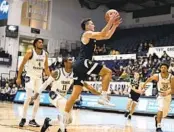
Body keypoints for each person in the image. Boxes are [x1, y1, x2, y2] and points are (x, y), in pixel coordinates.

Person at [60, 12, 121, 131]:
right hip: (83, 62)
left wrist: (114, 26)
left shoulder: (91, 36)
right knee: (107, 72)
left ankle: (65, 116)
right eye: (91, 24)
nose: (93, 25)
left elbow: (106, 36)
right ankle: (103, 97)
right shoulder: (87, 33)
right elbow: (103, 33)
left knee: (75, 94)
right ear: (87, 26)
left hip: (78, 65)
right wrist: (110, 20)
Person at [30, 57, 101, 132]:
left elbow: (86, 85)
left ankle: (48, 122)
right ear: (65, 63)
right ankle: (62, 130)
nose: (72, 61)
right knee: (64, 109)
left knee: (69, 120)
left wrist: (99, 93)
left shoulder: (75, 74)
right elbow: (46, 83)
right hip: (54, 94)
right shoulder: (57, 72)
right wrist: (36, 94)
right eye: (70, 60)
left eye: (73, 60)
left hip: (63, 97)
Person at [16, 38, 50, 127]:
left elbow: (46, 68)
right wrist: (18, 77)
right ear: (35, 44)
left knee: (37, 99)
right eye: (39, 42)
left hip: (39, 78)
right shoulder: (30, 52)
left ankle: (33, 120)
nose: (41, 44)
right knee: (28, 97)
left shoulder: (45, 54)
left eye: (42, 42)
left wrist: (50, 79)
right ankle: (23, 118)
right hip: (30, 77)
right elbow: (22, 65)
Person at [143, 62, 174, 132]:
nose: (163, 69)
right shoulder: (157, 76)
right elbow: (149, 79)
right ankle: (159, 126)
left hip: (168, 96)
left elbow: (173, 90)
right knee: (161, 108)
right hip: (160, 95)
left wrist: (167, 93)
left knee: (165, 113)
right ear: (160, 68)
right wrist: (144, 84)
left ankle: (157, 118)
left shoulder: (171, 77)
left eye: (164, 68)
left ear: (167, 69)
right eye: (162, 67)